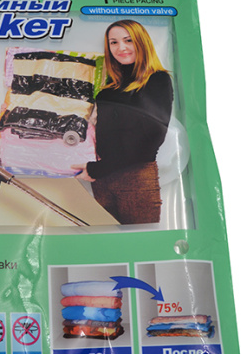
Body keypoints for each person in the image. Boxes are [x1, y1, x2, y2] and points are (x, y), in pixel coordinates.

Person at [72, 20, 173, 224]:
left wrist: (98, 168)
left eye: (128, 40)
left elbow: (150, 141)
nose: (121, 48)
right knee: (106, 239)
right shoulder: (107, 90)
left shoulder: (157, 80)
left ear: (141, 42)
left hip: (135, 179)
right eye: (114, 42)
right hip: (102, 180)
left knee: (141, 241)